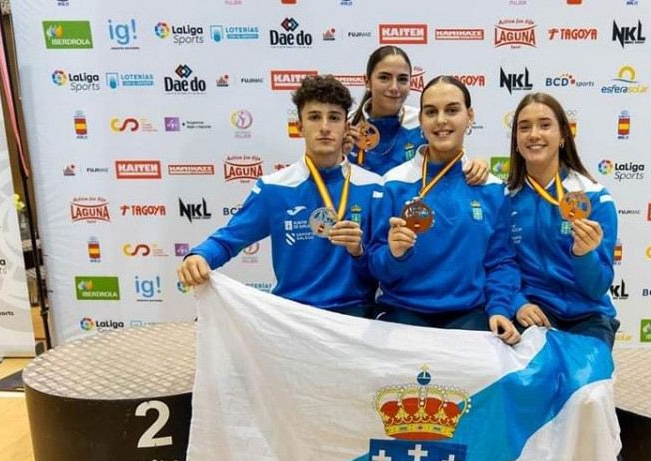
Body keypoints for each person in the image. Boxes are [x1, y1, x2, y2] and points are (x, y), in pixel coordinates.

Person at [506, 92, 651, 461]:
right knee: (518, 392)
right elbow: (498, 264)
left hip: (587, 318)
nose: (535, 134)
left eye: (544, 125)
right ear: (515, 139)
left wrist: (584, 254)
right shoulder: (505, 198)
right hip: (533, 318)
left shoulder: (594, 196)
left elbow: (597, 288)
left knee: (591, 397)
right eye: (524, 126)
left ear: (562, 134)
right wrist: (516, 302)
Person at [177, 75, 381, 317]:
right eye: (315, 117)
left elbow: (384, 268)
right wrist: (199, 256)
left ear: (346, 127)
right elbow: (228, 240)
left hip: (355, 316)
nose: (325, 127)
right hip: (292, 317)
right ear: (299, 126)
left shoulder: (374, 188)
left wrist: (358, 251)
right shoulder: (274, 188)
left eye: (334, 117)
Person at [367, 76, 520, 345]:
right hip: (402, 310)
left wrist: (499, 309)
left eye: (452, 110)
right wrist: (394, 254)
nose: (440, 120)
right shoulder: (393, 183)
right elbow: (377, 265)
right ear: (422, 120)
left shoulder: (492, 189)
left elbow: (500, 262)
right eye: (431, 112)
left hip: (469, 315)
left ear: (469, 116)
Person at [347, 46, 490, 183]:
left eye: (402, 79)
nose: (394, 87)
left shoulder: (423, 120)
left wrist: (478, 164)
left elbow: (452, 158)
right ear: (367, 82)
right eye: (384, 78)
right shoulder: (346, 124)